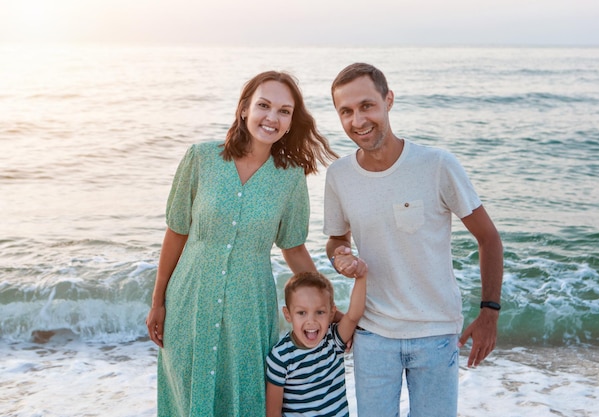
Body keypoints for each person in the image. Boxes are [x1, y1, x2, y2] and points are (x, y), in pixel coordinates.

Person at [146, 70, 338, 417]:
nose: (272, 117)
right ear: (244, 108)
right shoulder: (201, 158)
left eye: (284, 111)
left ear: (292, 120)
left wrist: (329, 305)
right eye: (264, 105)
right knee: (186, 394)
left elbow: (293, 247)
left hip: (249, 306)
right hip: (190, 299)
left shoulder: (291, 177)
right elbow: (177, 231)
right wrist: (158, 301)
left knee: (244, 396)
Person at [323, 63, 503, 417]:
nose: (358, 120)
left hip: (435, 333)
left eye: (367, 106)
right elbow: (335, 240)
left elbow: (489, 238)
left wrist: (489, 314)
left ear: (388, 100)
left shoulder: (437, 165)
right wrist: (339, 256)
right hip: (373, 334)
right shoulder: (339, 175)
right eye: (346, 111)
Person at [265, 261, 367, 417]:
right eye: (301, 313)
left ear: (331, 313)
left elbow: (353, 316)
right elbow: (273, 412)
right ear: (287, 314)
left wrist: (361, 278)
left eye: (319, 312)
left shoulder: (333, 340)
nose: (311, 321)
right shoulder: (280, 357)